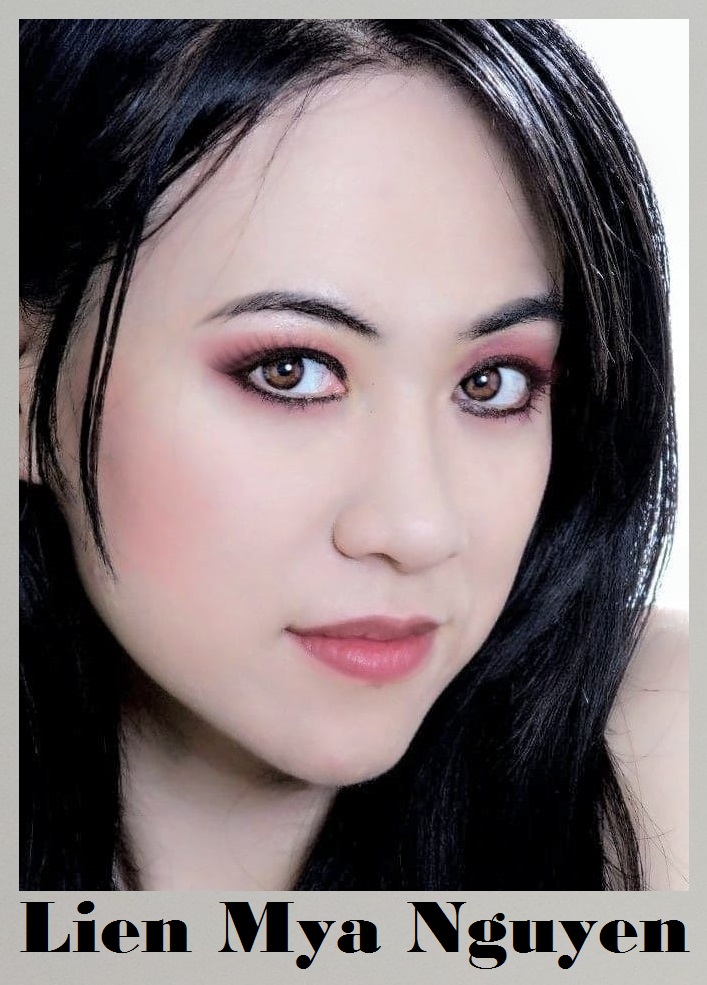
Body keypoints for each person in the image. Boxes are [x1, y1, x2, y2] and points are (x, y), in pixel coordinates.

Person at [20, 18, 687, 892]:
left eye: (491, 383)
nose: (416, 529)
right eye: (289, 371)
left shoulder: (666, 749)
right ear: (25, 385)